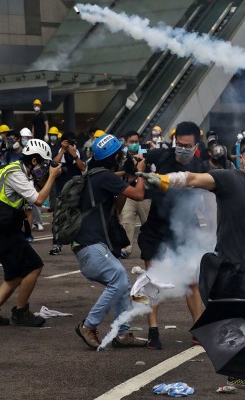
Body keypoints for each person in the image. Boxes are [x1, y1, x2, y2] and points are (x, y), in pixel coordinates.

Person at [138, 133, 245, 390]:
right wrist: (165, 179)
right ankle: (240, 371)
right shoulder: (229, 178)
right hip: (228, 267)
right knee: (237, 323)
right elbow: (195, 179)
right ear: (241, 157)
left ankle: (244, 371)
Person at [137, 121, 208, 350]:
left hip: (186, 228)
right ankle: (153, 331)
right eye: (179, 143)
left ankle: (198, 329)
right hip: (156, 226)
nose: (182, 148)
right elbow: (141, 163)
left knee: (192, 281)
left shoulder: (200, 166)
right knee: (152, 279)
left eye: (187, 145)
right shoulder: (160, 155)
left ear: (196, 144)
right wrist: (141, 175)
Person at [73, 134, 148, 349]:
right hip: (91, 246)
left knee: (122, 284)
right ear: (114, 157)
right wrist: (140, 171)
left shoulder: (96, 175)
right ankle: (88, 325)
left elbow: (118, 204)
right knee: (119, 280)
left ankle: (123, 334)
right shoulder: (104, 176)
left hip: (90, 246)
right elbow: (139, 195)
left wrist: (125, 180)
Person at [0, 138, 62, 326]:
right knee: (34, 266)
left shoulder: (20, 171)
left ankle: (19, 311)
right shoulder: (16, 173)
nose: (44, 168)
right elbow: (39, 200)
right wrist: (51, 177)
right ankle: (20, 312)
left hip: (6, 227)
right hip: (4, 229)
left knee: (15, 274)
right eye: (43, 164)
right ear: (34, 161)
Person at [49, 132, 86, 255]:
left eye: (72, 142)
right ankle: (56, 243)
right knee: (58, 217)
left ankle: (76, 243)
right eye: (67, 142)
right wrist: (62, 151)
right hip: (61, 189)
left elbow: (83, 168)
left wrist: (75, 156)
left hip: (76, 189)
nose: (70, 144)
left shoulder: (78, 151)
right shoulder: (57, 150)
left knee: (76, 217)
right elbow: (53, 164)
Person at [119, 131, 151, 259]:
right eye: (131, 142)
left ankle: (151, 248)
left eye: (136, 142)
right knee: (126, 221)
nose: (134, 144)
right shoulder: (121, 156)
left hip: (145, 195)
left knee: (149, 224)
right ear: (126, 143)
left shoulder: (146, 155)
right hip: (128, 194)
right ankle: (125, 249)